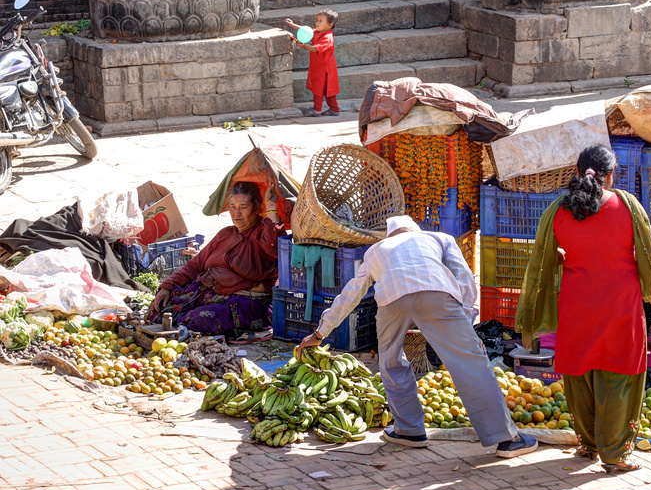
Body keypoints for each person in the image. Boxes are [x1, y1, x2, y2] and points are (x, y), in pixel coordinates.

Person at [297, 215, 537, 459]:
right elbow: (464, 278)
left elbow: (350, 294)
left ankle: (409, 431)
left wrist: (320, 333)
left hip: (391, 299)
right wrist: (466, 322)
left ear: (390, 235)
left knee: (390, 362)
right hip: (436, 293)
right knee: (470, 363)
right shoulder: (438, 238)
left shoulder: (376, 250)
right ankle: (506, 439)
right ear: (414, 230)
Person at [516, 144, 651, 474]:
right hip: (620, 306)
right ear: (611, 176)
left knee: (579, 373)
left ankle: (588, 444)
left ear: (577, 172)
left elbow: (546, 260)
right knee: (620, 375)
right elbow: (649, 253)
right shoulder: (628, 205)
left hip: (576, 304)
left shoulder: (558, 211)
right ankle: (616, 454)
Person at [147, 181, 284, 336]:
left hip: (247, 302)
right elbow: (195, 265)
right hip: (210, 292)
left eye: (243, 207)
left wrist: (271, 206)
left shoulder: (264, 234)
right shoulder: (225, 234)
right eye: (232, 206)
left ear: (257, 208)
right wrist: (167, 286)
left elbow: (274, 245)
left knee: (199, 319)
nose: (236, 213)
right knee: (159, 310)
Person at [285, 9, 339, 117]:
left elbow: (315, 49)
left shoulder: (327, 38)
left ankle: (317, 110)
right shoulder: (318, 32)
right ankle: (334, 109)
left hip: (324, 69)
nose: (317, 23)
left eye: (320, 21)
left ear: (330, 24)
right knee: (326, 90)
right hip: (320, 67)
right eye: (317, 20)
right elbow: (305, 31)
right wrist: (292, 25)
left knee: (318, 88)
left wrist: (303, 45)